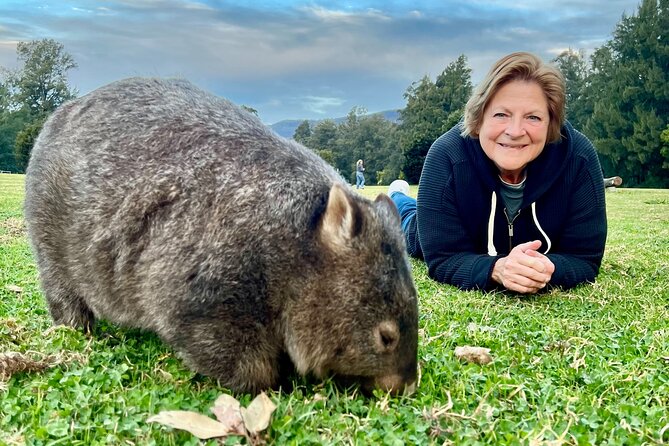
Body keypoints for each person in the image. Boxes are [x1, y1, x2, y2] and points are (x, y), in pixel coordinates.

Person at [388, 52, 607, 294]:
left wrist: (548, 268)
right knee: (407, 222)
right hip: (436, 227)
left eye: (533, 117)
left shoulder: (579, 158)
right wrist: (497, 269)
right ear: (480, 117)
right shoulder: (446, 156)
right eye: (501, 114)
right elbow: (443, 258)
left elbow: (585, 258)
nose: (515, 131)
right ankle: (397, 198)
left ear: (550, 123)